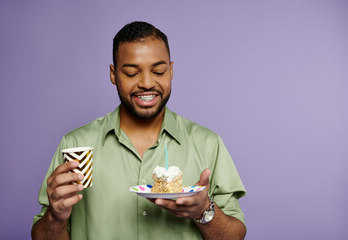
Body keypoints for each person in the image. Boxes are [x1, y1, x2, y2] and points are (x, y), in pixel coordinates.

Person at [31, 21, 246, 240]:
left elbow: (235, 235)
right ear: (113, 75)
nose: (146, 83)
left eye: (158, 71)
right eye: (132, 73)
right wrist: (54, 218)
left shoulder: (207, 144)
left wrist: (204, 212)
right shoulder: (75, 144)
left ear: (171, 71)